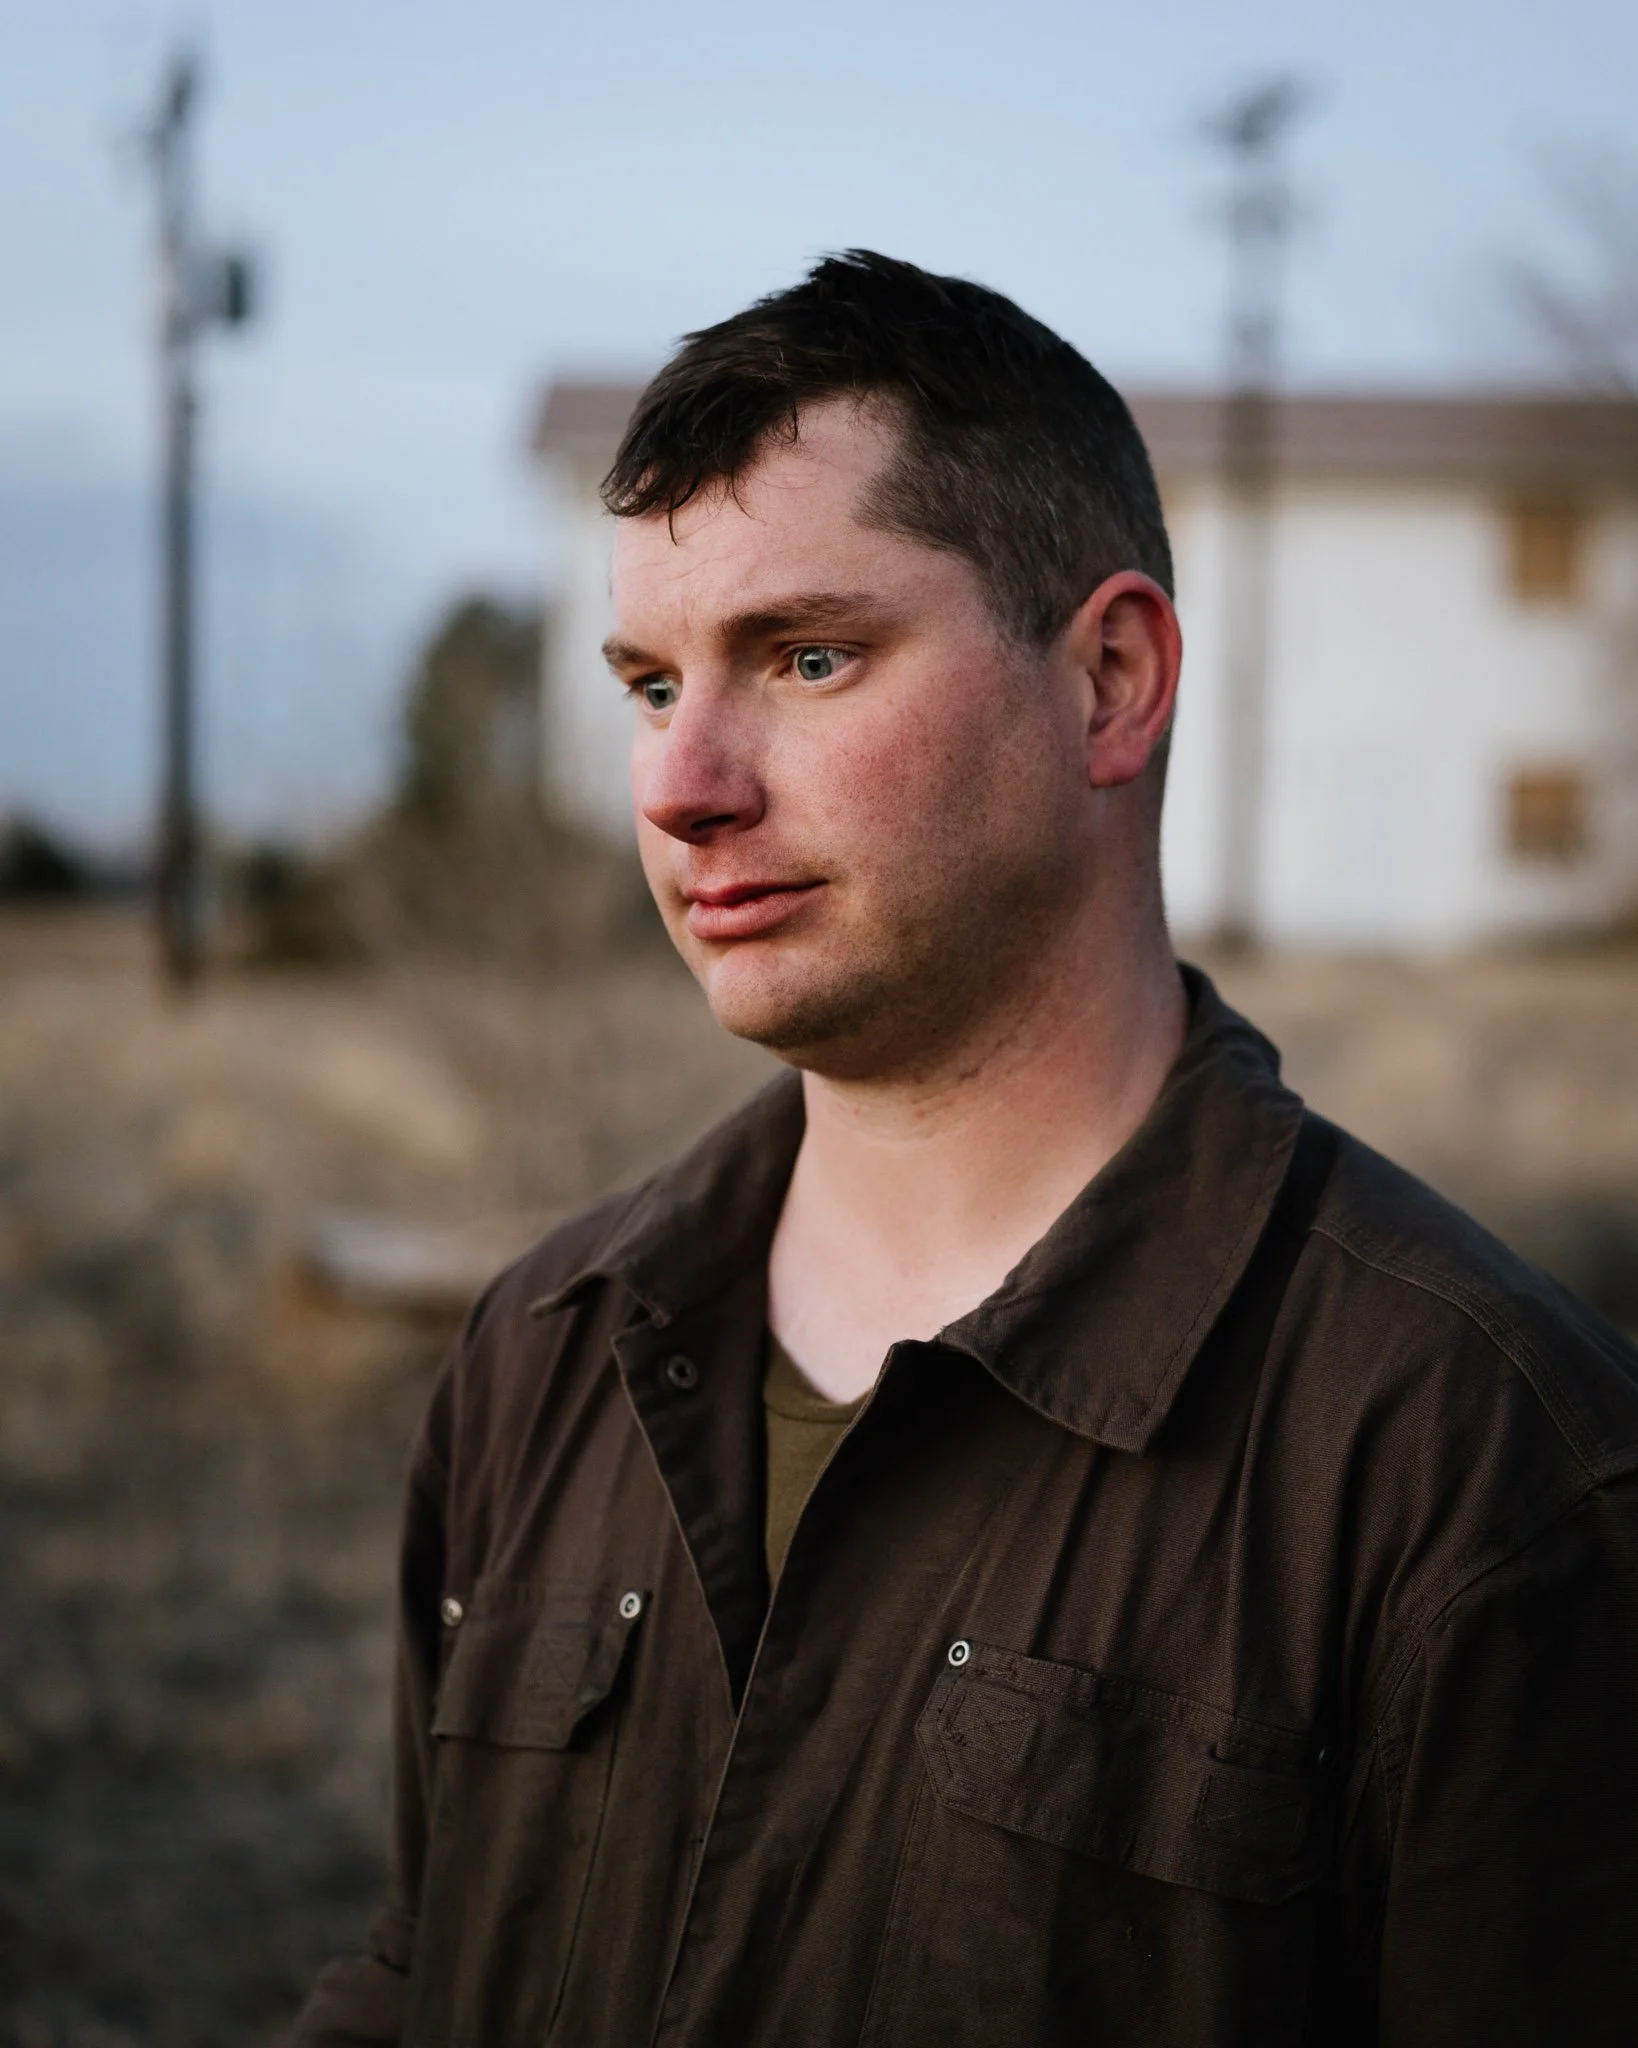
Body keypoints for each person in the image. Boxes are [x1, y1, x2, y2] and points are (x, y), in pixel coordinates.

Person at [290, 252, 1638, 2047]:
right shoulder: (546, 1350)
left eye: (808, 655)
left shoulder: (1485, 1473)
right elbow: (421, 1975)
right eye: (643, 684)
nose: (680, 785)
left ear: (1108, 681)